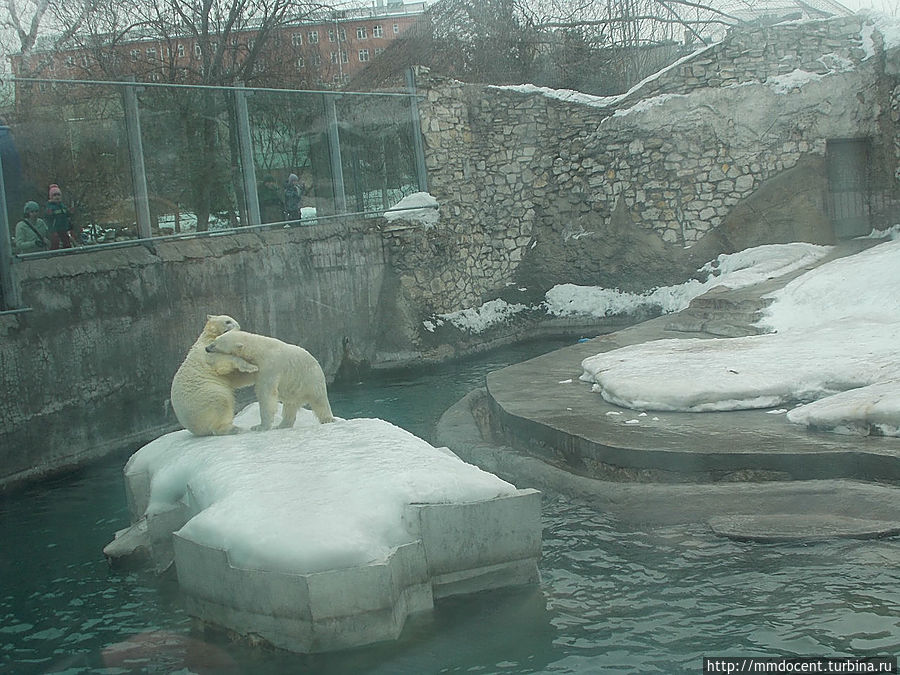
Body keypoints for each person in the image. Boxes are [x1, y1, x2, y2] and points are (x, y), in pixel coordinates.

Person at [45, 184, 81, 249]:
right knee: (56, 245)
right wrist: (52, 231)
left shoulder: (63, 206)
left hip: (64, 229)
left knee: (67, 244)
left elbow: (67, 216)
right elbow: (49, 221)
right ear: (51, 197)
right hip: (55, 230)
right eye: (54, 195)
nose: (57, 197)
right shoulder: (50, 207)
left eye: (58, 195)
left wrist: (70, 212)